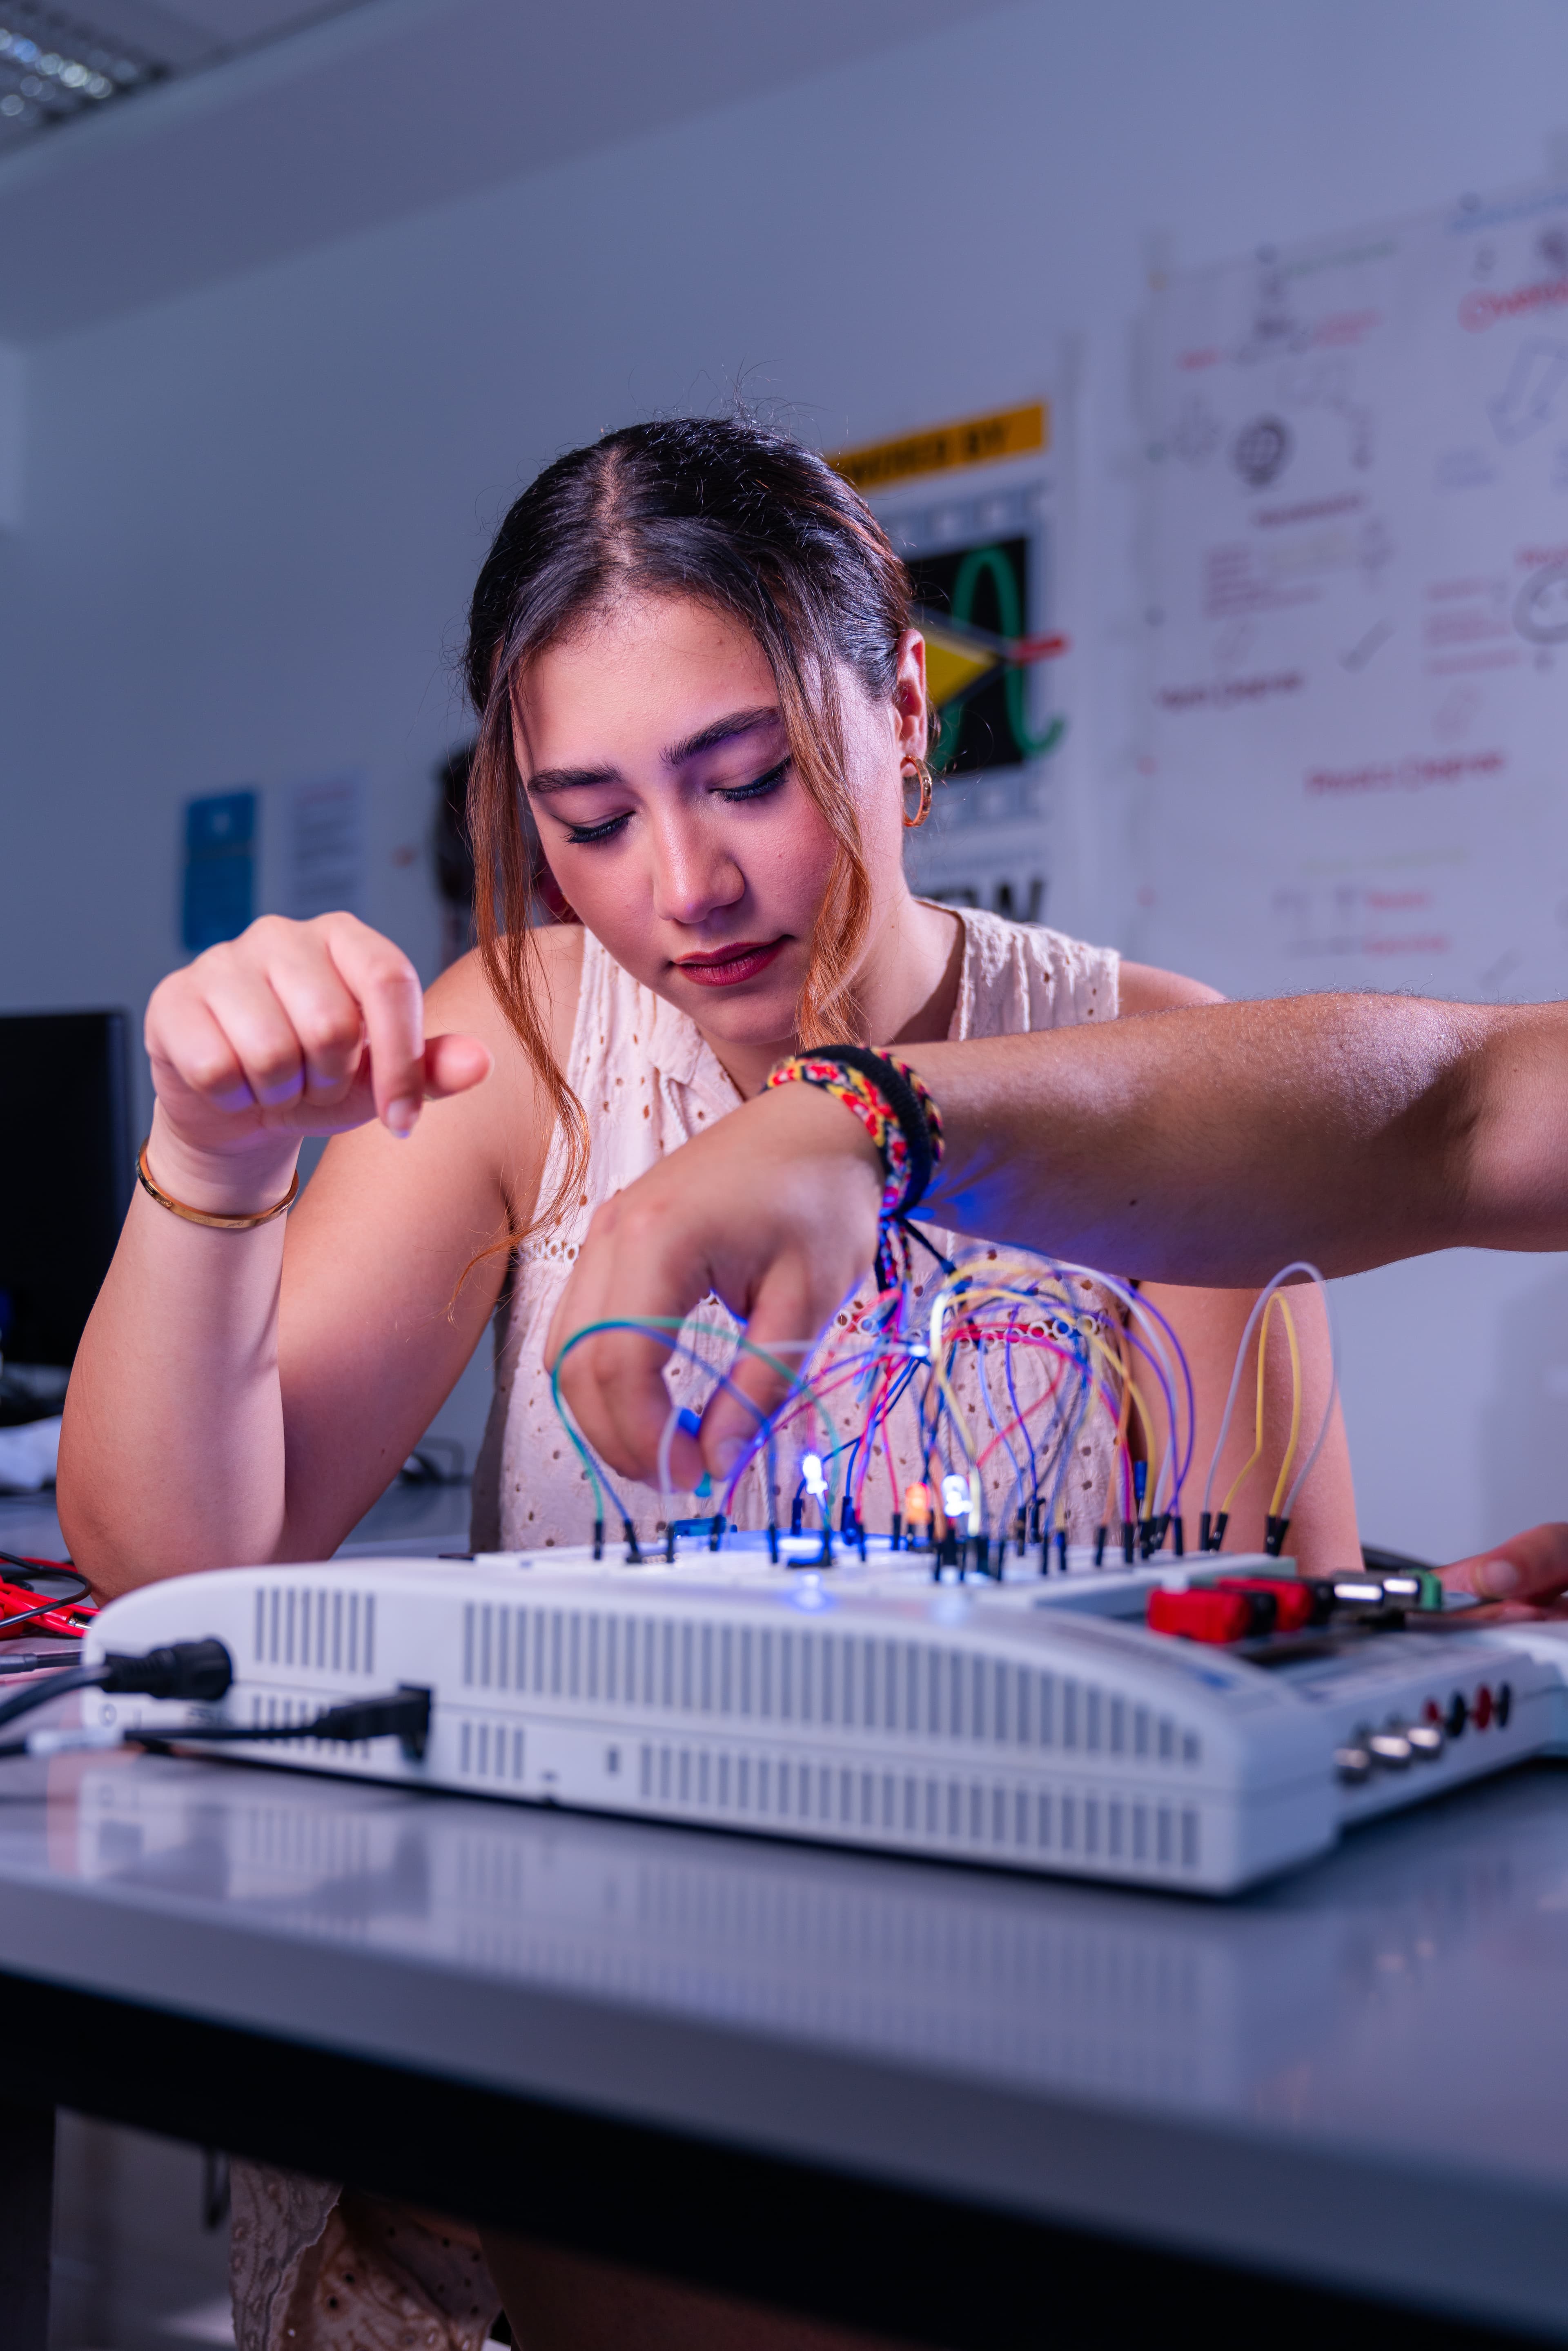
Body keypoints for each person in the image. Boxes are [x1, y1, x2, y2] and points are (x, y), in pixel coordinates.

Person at [54, 416, 1566, 2351]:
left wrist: (1416, 1645)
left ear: (909, 724)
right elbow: (179, 1559)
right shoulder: (516, 1041)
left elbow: (1278, 1667)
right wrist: (218, 1157)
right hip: (580, 2051)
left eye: (748, 777)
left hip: (1028, 2055)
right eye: (587, 820)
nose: (682, 883)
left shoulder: (1168, 1071)